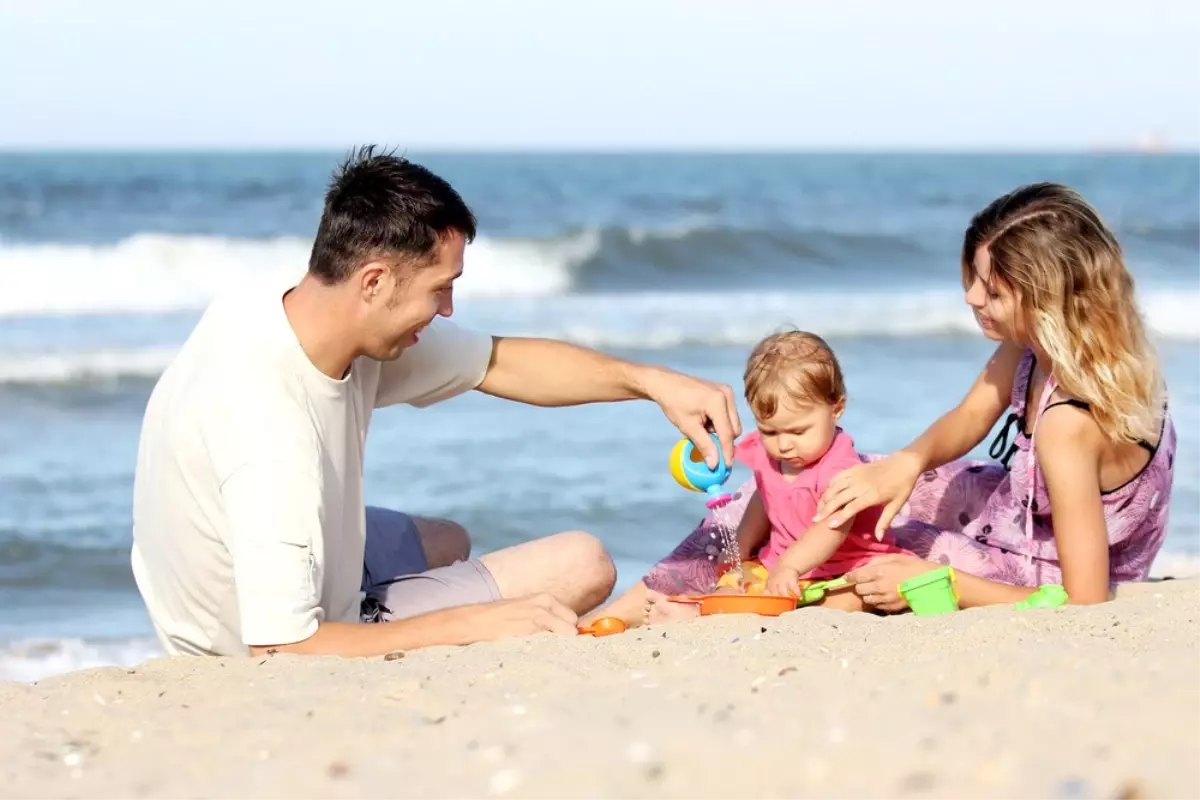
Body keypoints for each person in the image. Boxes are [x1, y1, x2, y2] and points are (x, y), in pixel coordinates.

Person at [130, 145, 741, 659]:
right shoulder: (270, 437)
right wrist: (477, 625)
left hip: (242, 562)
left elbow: (501, 362)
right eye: (439, 290)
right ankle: (381, 617)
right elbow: (282, 653)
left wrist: (653, 382)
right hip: (241, 643)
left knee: (446, 540)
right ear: (373, 280)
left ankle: (396, 601)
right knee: (582, 565)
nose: (446, 310)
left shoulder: (284, 307)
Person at [629, 182, 1176, 615]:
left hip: (1049, 569)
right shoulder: (1035, 345)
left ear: (1049, 299)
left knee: (888, 549)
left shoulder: (1069, 424)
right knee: (829, 482)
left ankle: (715, 594)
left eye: (992, 290)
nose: (971, 297)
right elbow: (971, 415)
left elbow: (1086, 599)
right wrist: (907, 465)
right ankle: (695, 577)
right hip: (1017, 516)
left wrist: (937, 582)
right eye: (973, 278)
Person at [589, 331, 912, 626]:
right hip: (780, 564)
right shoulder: (773, 456)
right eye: (769, 431)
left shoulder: (839, 466)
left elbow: (832, 528)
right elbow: (763, 500)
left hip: (846, 565)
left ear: (836, 408)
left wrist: (792, 567)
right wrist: (741, 549)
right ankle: (695, 612)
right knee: (733, 585)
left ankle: (710, 617)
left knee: (852, 600)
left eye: (799, 431)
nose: (784, 444)